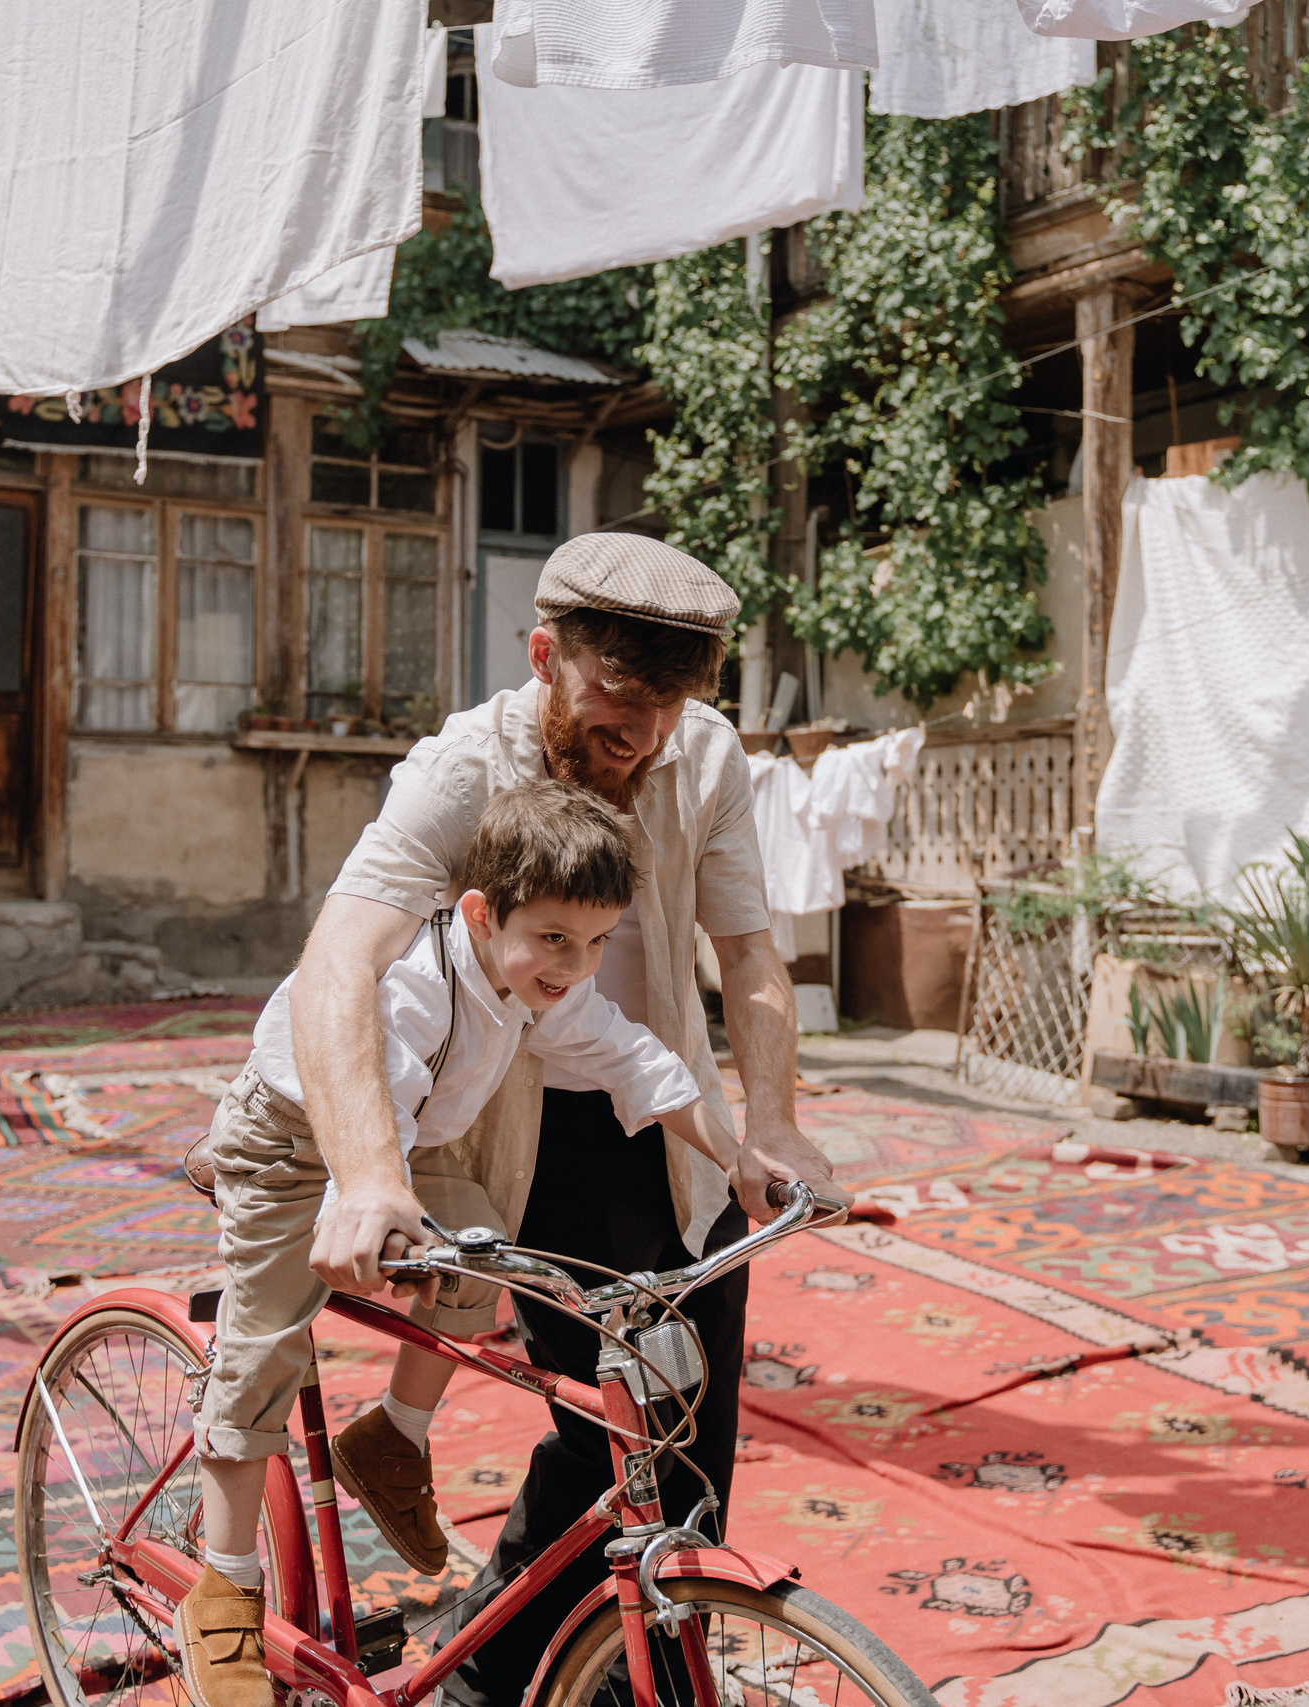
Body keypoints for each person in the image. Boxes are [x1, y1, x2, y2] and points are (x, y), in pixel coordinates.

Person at [296, 533, 838, 1707]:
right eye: (616, 701)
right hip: (524, 1133)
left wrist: (772, 1123)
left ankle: (645, 1672)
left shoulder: (703, 754)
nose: (642, 735)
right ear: (545, 657)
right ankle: (492, 1683)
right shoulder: (460, 770)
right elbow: (337, 962)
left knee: (691, 1430)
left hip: (670, 1116)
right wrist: (369, 1175)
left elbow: (749, 953)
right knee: (609, 1426)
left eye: (669, 707)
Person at [178, 780, 747, 1704]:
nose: (575, 964)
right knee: (269, 1339)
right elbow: (373, 1105)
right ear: (481, 914)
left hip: (400, 1149)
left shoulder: (542, 984)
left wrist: (741, 1155)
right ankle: (225, 1588)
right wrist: (368, 1207)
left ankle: (393, 1437)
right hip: (294, 1139)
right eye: (554, 938)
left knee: (482, 1250)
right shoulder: (415, 988)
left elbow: (636, 1059)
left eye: (597, 941)